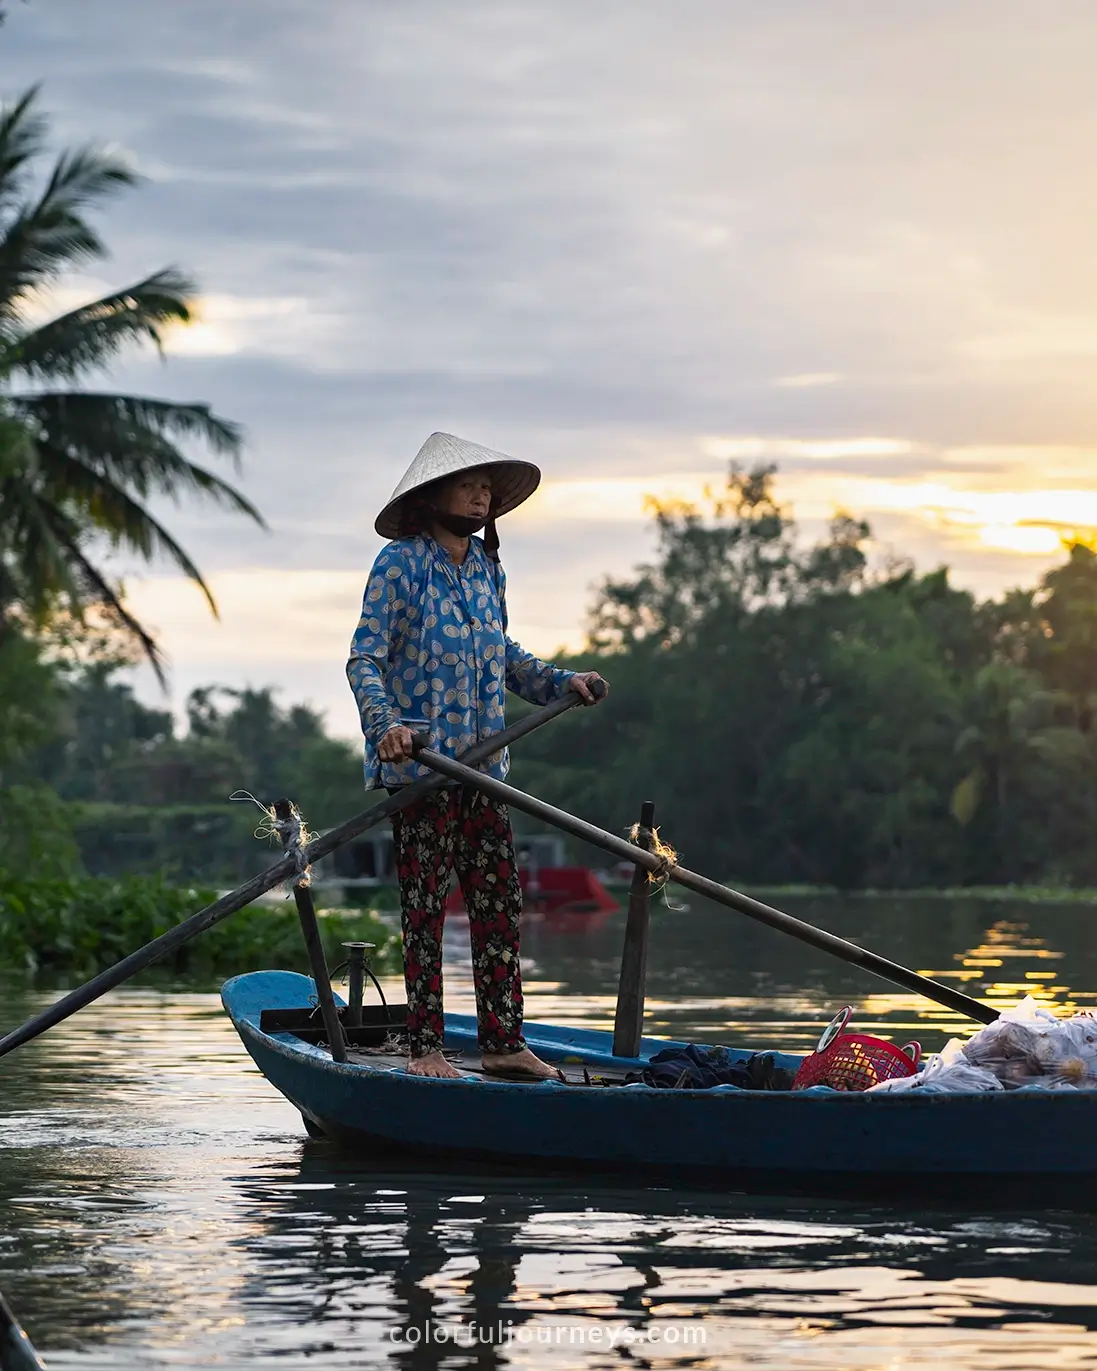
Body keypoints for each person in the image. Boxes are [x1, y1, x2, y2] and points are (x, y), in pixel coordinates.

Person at [346, 432, 608, 1080]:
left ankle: (501, 1040)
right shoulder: (399, 564)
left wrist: (560, 682)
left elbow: (505, 657)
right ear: (431, 497)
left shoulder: (489, 570)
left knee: (497, 904)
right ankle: (425, 1048)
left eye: (486, 486)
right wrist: (386, 725)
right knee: (426, 908)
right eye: (468, 483)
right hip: (423, 770)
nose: (480, 493)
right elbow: (365, 657)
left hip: (484, 770)